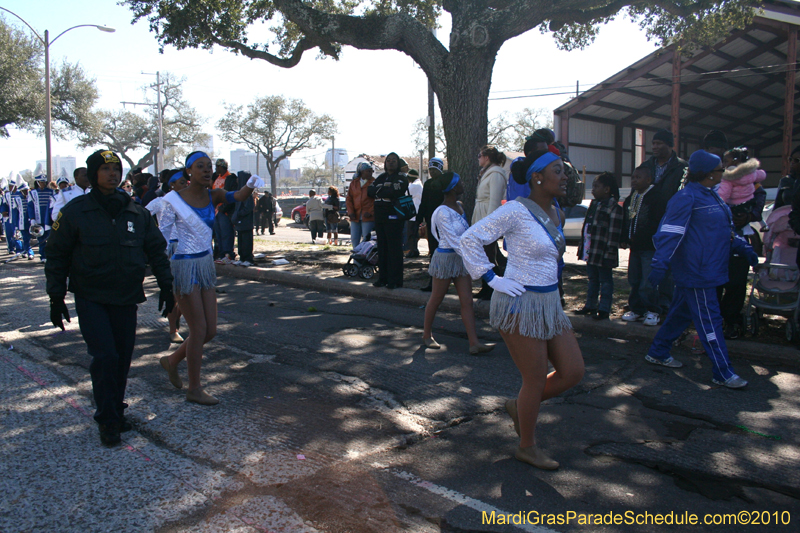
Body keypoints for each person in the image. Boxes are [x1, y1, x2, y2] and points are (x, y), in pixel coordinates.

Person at [460, 149, 585, 470]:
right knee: (534, 378)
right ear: (537, 177)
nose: (565, 176)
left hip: (549, 304)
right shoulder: (515, 210)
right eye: (559, 171)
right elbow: (470, 239)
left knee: (573, 371)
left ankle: (519, 406)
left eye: (565, 171)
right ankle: (527, 446)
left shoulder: (556, 212)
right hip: (517, 302)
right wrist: (490, 277)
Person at [45, 149, 175, 446]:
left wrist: (167, 287)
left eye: (116, 168)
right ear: (93, 175)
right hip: (91, 296)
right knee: (104, 357)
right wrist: (56, 296)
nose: (112, 173)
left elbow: (157, 250)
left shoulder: (136, 212)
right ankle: (108, 420)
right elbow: (56, 255)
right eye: (105, 169)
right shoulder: (76, 211)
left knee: (122, 359)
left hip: (126, 296)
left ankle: (115, 409)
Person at [645, 150, 758, 389]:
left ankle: (658, 352)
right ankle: (723, 372)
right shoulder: (686, 198)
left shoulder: (713, 196)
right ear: (708, 174)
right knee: (710, 322)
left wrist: (742, 246)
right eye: (720, 169)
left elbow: (723, 231)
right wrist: (659, 263)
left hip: (707, 269)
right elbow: (670, 233)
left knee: (680, 314)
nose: (724, 172)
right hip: (698, 272)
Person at [157, 152, 262, 405]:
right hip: (183, 267)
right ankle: (194, 388)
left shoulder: (212, 195)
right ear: (188, 172)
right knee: (199, 329)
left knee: (210, 331)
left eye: (209, 167)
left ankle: (171, 361)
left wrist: (250, 185)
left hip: (205, 265)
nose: (207, 171)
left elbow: (236, 197)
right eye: (200, 167)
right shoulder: (173, 201)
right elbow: (162, 234)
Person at [422, 171, 494, 355]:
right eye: (460, 182)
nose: (463, 184)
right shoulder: (441, 212)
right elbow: (453, 240)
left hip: (461, 258)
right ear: (453, 187)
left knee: (467, 301)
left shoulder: (460, 206)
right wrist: (473, 258)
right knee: (436, 298)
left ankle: (474, 343)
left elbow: (466, 233)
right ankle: (426, 335)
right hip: (446, 258)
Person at [717, 148, 766, 338]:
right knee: (715, 283)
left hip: (741, 237)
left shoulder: (754, 183)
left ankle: (731, 321)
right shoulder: (718, 179)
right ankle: (714, 320)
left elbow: (758, 202)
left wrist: (748, 216)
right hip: (718, 237)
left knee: (736, 283)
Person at [640, 129, 688, 312]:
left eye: (659, 143)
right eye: (653, 143)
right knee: (647, 266)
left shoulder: (682, 168)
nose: (655, 147)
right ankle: (646, 304)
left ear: (670, 145)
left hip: (671, 222)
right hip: (648, 223)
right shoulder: (646, 165)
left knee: (668, 266)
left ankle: (665, 303)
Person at [147, 170, 187, 344]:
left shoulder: (191, 202)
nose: (186, 185)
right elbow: (142, 215)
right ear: (172, 185)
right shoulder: (160, 202)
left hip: (189, 251)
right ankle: (173, 330)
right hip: (170, 251)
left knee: (189, 293)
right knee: (175, 293)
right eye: (182, 182)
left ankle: (176, 316)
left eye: (187, 182)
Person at [576, 172, 623, 320]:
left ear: (607, 189)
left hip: (603, 253)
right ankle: (590, 305)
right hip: (591, 251)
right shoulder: (594, 204)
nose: (593, 189)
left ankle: (604, 309)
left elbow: (613, 233)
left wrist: (609, 253)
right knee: (592, 279)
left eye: (596, 186)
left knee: (606, 281)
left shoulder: (614, 207)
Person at [621, 166, 663, 326]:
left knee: (647, 281)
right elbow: (627, 218)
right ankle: (637, 309)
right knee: (634, 278)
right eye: (632, 177)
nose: (634, 180)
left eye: (638, 177)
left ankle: (653, 310)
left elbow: (655, 222)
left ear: (648, 180)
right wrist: (625, 237)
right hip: (635, 247)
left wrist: (643, 236)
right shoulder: (632, 197)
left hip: (648, 246)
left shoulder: (655, 197)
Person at [472, 145, 509, 300]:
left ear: (487, 157)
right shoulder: (486, 173)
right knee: (483, 255)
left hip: (487, 219)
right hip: (481, 216)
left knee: (488, 255)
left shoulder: (496, 175)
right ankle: (487, 286)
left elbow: (495, 201)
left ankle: (492, 287)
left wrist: (489, 225)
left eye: (480, 155)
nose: (478, 158)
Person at [368, 152, 409, 289]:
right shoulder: (382, 176)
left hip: (394, 217)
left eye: (394, 160)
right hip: (379, 215)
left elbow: (394, 192)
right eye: (388, 160)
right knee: (382, 248)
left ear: (398, 163)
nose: (391, 162)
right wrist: (384, 188)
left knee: (394, 249)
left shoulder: (401, 177)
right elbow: (370, 191)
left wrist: (380, 189)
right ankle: (383, 278)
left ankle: (395, 280)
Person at [416, 157, 446, 292]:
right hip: (430, 222)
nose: (432, 172)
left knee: (443, 252)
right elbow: (423, 203)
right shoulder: (427, 184)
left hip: (443, 223)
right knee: (433, 252)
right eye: (430, 170)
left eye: (435, 169)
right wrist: (419, 218)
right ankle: (433, 281)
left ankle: (444, 281)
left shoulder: (445, 183)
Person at [346, 162, 376, 248]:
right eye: (368, 171)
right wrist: (351, 212)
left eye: (371, 171)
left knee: (367, 239)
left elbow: (376, 200)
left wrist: (371, 212)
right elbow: (349, 199)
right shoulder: (354, 183)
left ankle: (366, 258)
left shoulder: (374, 183)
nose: (370, 173)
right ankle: (356, 260)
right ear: (362, 172)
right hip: (355, 215)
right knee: (354, 239)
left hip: (368, 216)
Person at [212, 158, 236, 260]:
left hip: (224, 211)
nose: (215, 169)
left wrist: (224, 207)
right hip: (216, 211)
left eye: (217, 167)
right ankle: (221, 254)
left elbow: (231, 194)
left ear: (221, 167)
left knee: (226, 233)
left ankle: (228, 253)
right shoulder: (217, 178)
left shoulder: (230, 178)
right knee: (219, 234)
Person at [28, 174, 56, 263]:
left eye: (44, 182)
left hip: (49, 220)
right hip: (38, 219)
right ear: (37, 182)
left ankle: (50, 255)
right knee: (41, 239)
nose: (43, 184)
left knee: (51, 238)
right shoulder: (32, 193)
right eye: (41, 182)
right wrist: (32, 218)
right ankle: (43, 256)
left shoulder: (51, 192)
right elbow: (30, 207)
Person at [232, 171, 256, 264]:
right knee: (241, 241)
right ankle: (242, 258)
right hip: (240, 222)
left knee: (247, 241)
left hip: (246, 222)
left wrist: (239, 214)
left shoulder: (248, 194)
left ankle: (248, 259)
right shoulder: (239, 192)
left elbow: (249, 208)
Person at [404, 169, 423, 257]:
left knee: (411, 233)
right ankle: (413, 250)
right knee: (413, 233)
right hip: (415, 212)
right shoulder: (418, 184)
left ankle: (412, 251)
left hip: (413, 212)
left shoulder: (415, 185)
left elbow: (405, 193)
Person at [12, 180, 33, 259]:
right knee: (25, 238)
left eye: (27, 190)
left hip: (30, 221)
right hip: (21, 222)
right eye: (24, 190)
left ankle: (25, 251)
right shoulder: (16, 199)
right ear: (21, 191)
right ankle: (29, 252)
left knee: (27, 238)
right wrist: (15, 224)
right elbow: (15, 213)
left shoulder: (30, 197)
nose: (26, 192)